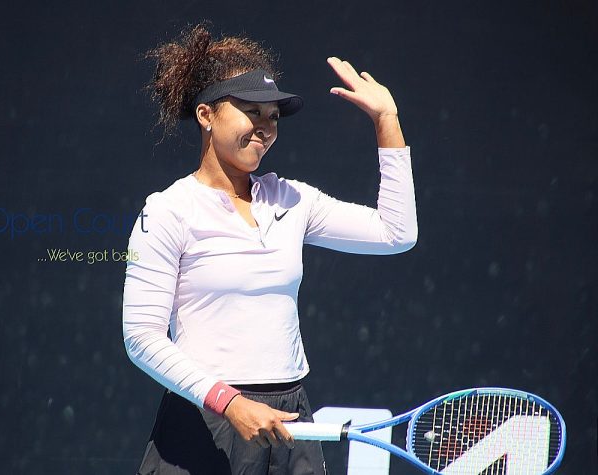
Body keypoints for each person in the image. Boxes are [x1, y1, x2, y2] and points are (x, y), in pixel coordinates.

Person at [122, 22, 417, 475]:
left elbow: (397, 233)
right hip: (205, 420)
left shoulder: (292, 200)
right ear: (206, 115)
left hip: (289, 419)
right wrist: (230, 403)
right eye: (251, 111)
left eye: (273, 116)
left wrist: (386, 120)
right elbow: (140, 338)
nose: (265, 127)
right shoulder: (167, 211)